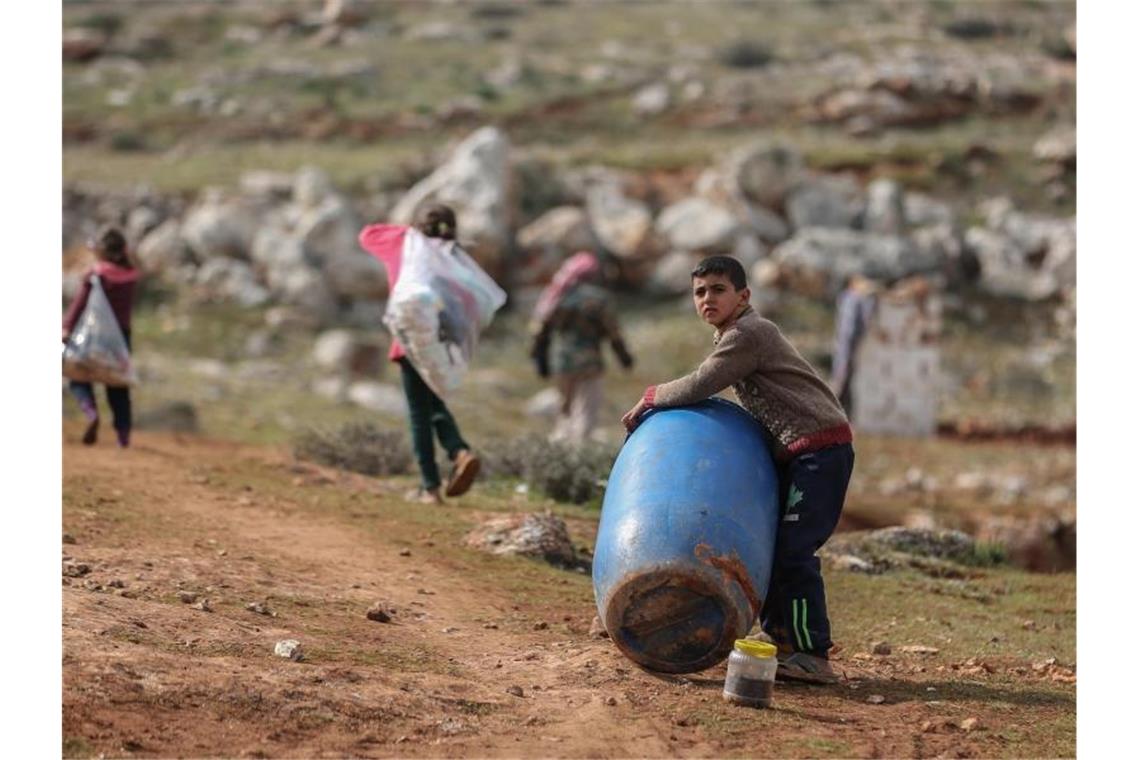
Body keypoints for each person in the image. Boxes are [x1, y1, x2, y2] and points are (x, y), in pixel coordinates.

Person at [621, 255, 854, 685]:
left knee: (794, 552)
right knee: (777, 547)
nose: (707, 298)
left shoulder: (750, 333)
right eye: (699, 292)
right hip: (799, 453)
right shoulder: (734, 333)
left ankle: (812, 653)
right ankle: (782, 642)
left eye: (718, 289)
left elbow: (700, 384)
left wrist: (651, 396)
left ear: (743, 296)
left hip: (819, 452)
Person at [358, 204, 481, 505]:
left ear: (417, 227)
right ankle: (459, 452)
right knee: (434, 402)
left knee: (419, 415)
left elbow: (367, 234)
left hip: (410, 342)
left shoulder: (403, 246)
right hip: (441, 342)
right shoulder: (452, 255)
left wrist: (407, 231)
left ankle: (430, 488)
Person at [529, 251, 634, 444]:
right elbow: (613, 333)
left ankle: (561, 445)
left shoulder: (558, 296)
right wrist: (624, 357)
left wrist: (540, 360)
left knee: (565, 407)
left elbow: (541, 332)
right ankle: (579, 448)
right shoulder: (599, 299)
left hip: (561, 361)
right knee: (587, 408)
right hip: (589, 361)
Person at [62, 227, 141, 448]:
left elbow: (79, 305)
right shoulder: (131, 276)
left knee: (78, 375)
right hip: (121, 338)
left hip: (93, 335)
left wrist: (66, 329)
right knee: (117, 384)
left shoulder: (96, 275)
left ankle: (90, 411)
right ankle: (122, 436)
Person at [830, 274, 879, 413]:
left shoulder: (850, 298)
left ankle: (841, 411)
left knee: (846, 378)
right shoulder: (851, 298)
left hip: (849, 344)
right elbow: (858, 322)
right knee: (842, 377)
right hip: (847, 344)